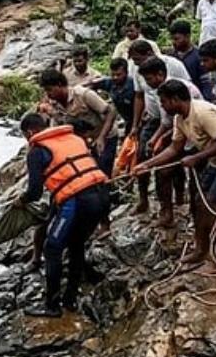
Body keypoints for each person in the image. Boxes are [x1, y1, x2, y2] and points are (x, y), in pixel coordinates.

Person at [135, 80, 216, 264]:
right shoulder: (179, 119)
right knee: (200, 203)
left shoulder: (202, 112)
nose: (162, 106)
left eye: (164, 102)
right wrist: (147, 165)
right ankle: (201, 249)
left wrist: (197, 157)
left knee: (213, 206)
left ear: (175, 100)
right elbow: (174, 149)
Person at [16, 113, 109, 317]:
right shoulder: (74, 138)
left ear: (30, 133)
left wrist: (20, 201)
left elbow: (35, 191)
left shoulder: (37, 151)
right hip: (102, 196)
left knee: (52, 248)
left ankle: (52, 305)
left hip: (77, 200)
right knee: (76, 245)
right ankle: (70, 300)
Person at [127, 41, 192, 214]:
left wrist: (158, 138)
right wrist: (136, 125)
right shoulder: (139, 71)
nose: (136, 64)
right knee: (142, 156)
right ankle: (145, 200)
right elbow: (139, 96)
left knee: (168, 163)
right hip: (158, 119)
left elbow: (186, 99)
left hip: (180, 121)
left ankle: (175, 201)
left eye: (138, 59)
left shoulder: (174, 67)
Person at [137, 57, 203, 226]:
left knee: (197, 182)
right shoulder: (163, 92)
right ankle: (167, 212)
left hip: (197, 139)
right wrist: (155, 140)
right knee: (162, 171)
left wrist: (159, 139)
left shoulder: (182, 91)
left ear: (160, 74)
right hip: (180, 134)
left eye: (149, 79)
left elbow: (180, 122)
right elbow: (168, 122)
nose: (147, 83)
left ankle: (197, 218)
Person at [38, 69, 117, 174]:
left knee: (102, 171)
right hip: (86, 141)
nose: (48, 94)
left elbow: (110, 111)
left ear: (59, 85)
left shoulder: (83, 94)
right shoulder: (55, 106)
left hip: (106, 136)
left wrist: (101, 138)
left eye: (50, 90)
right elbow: (58, 131)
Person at [89, 58, 136, 139]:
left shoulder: (133, 86)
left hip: (137, 119)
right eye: (113, 75)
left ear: (126, 73)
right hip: (126, 120)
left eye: (118, 75)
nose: (115, 77)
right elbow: (93, 84)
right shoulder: (110, 82)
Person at [170, 19, 214, 100]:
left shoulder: (199, 57)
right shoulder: (171, 57)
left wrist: (205, 101)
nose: (174, 42)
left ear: (187, 36)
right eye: (172, 39)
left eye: (177, 39)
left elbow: (205, 83)